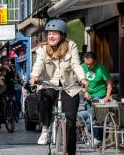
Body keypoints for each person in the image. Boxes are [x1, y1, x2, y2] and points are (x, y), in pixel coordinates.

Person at [29, 19, 89, 155]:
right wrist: (34, 77)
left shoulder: (70, 46)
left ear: (62, 35)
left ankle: (71, 152)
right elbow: (38, 64)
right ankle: (45, 129)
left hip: (70, 85)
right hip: (49, 83)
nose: (51, 36)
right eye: (49, 33)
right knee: (43, 97)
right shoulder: (42, 49)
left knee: (71, 123)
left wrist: (83, 78)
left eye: (54, 34)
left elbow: (75, 64)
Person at [77, 52, 113, 145]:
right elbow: (79, 83)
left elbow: (109, 83)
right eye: (86, 64)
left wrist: (107, 96)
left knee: (94, 116)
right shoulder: (82, 67)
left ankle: (97, 138)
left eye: (90, 64)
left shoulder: (101, 68)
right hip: (88, 96)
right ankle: (98, 137)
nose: (88, 66)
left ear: (95, 61)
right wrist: (84, 92)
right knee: (91, 116)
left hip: (99, 94)